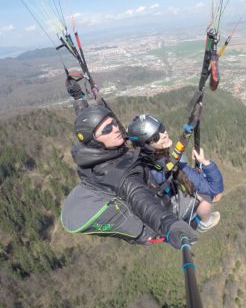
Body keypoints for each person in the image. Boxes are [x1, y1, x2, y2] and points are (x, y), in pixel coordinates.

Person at [60, 80, 197, 249]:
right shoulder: (122, 175)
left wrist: (79, 98)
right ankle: (199, 219)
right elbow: (140, 199)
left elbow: (88, 125)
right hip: (157, 215)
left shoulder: (89, 152)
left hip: (146, 186)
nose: (116, 129)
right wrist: (169, 224)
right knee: (199, 189)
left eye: (113, 124)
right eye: (107, 130)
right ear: (94, 140)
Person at [127, 114, 224, 232]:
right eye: (155, 137)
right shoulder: (170, 166)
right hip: (172, 210)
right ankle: (205, 223)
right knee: (208, 199)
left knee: (184, 161)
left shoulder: (143, 160)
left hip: (163, 201)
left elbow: (177, 155)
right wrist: (205, 162)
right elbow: (214, 188)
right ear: (147, 146)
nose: (164, 135)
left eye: (161, 128)